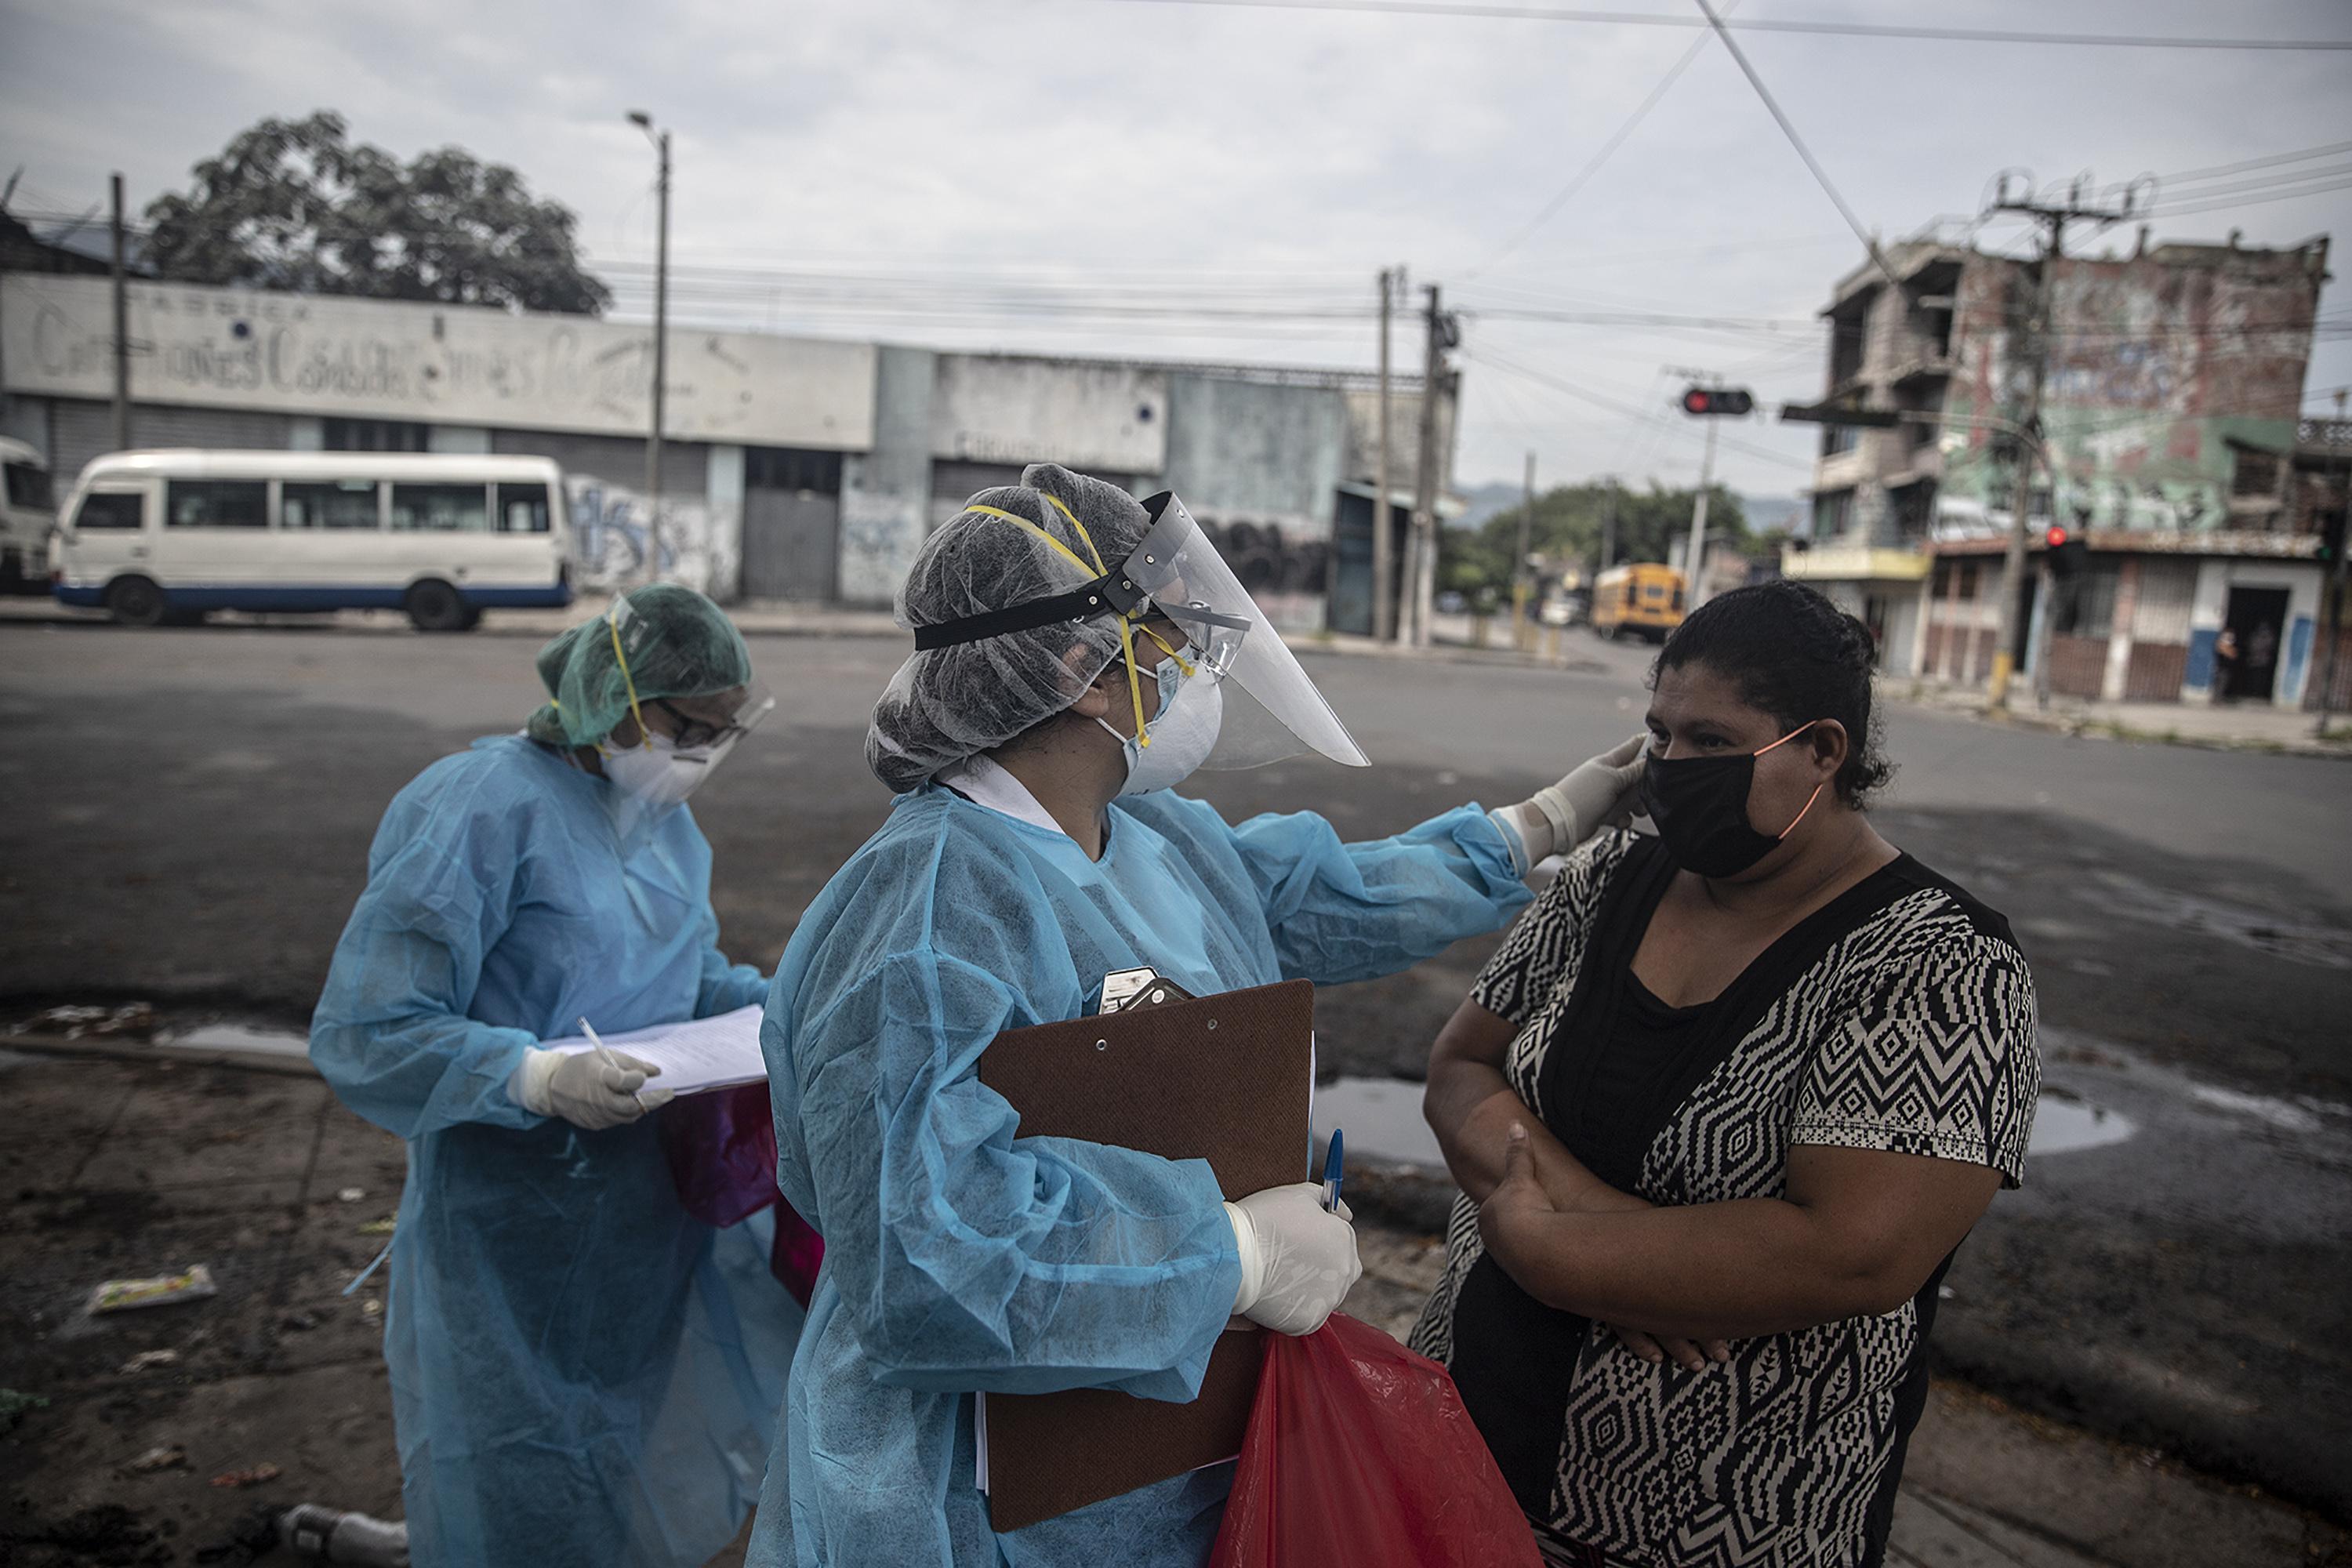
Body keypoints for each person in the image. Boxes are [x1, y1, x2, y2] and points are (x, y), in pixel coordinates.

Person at [747, 465, 1646, 1568]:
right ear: (1084, 670)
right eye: (1169, 641)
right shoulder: (928, 913)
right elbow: (921, 1260)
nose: (1186, 673)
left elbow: (1333, 893)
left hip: (1149, 1458)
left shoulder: (1158, 841)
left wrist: (1542, 823)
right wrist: (1229, 1253)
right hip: (967, 1500)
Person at [1413, 580, 2041, 1568]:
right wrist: (1599, 1228)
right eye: (1659, 734)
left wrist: (1551, 1253)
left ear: (1823, 751)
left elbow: (1854, 1252)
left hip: (1720, 1523)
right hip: (1454, 1454)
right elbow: (1461, 1064)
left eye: (1711, 740)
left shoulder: (1937, 962)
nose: (1670, 767)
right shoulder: (1609, 875)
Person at [310, 586, 800, 1568]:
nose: (700, 753)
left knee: (615, 1444)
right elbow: (371, 1025)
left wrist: (781, 1005)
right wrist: (531, 1075)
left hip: (634, 1208)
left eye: (721, 732)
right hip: (509, 1218)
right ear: (612, 691)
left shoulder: (654, 820)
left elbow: (682, 970)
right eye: (686, 726)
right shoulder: (478, 806)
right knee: (510, 1454)